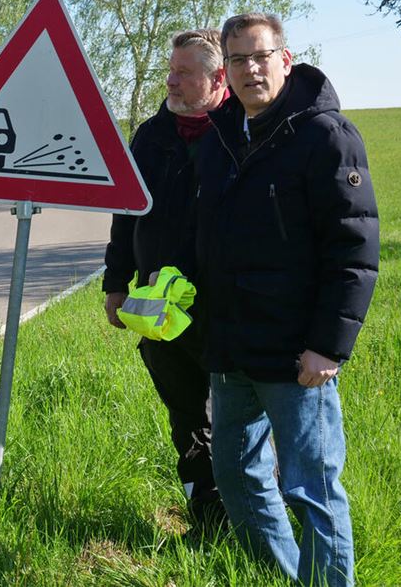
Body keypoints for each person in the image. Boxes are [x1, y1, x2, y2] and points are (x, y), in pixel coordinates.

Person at [192, 13, 378, 586]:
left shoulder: (325, 136)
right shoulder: (220, 136)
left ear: (285, 59)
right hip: (231, 351)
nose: (250, 69)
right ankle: (293, 576)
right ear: (225, 69)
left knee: (311, 489)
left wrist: (327, 347)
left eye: (260, 56)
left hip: (298, 356)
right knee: (238, 477)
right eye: (238, 59)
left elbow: (354, 251)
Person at [102, 29, 229, 532]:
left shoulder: (238, 133)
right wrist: (116, 284)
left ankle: (255, 518)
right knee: (185, 416)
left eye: (184, 73)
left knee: (239, 418)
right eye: (171, 70)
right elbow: (124, 216)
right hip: (159, 312)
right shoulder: (151, 136)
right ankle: (206, 515)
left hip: (224, 310)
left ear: (218, 78)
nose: (171, 81)